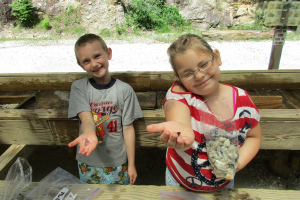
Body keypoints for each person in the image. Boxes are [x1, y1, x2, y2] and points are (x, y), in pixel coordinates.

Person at [146, 33, 262, 192]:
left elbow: (254, 136)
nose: (199, 75)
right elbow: (177, 116)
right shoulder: (180, 95)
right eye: (187, 73)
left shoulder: (243, 101)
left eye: (204, 64)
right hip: (180, 183)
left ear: (217, 57)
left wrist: (237, 163)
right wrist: (182, 131)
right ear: (178, 78)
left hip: (224, 184)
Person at [68, 33, 143, 185]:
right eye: (86, 61)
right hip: (88, 161)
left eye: (97, 56)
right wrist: (89, 133)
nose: (94, 64)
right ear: (80, 65)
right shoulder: (79, 88)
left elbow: (128, 129)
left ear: (108, 53)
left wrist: (131, 164)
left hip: (117, 161)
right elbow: (86, 118)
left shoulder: (125, 90)